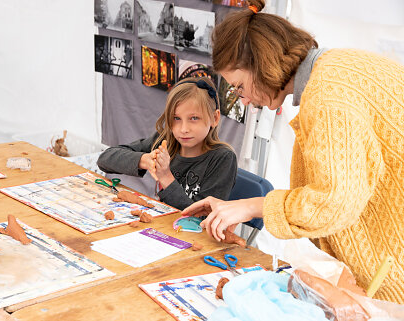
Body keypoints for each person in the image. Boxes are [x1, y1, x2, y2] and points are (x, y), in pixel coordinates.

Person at [182, 0, 404, 304]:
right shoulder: (336, 70)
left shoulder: (328, 95)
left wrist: (250, 207)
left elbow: (332, 203)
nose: (243, 100)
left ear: (262, 65)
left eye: (239, 86)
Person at [97, 77, 237, 210]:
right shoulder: (165, 141)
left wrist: (165, 177)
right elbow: (104, 159)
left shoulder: (223, 159)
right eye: (176, 118)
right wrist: (145, 160)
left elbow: (202, 219)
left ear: (214, 118)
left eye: (194, 118)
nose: (183, 129)